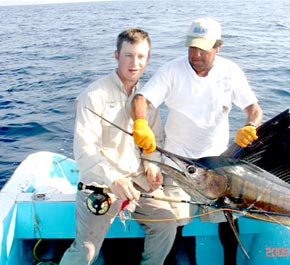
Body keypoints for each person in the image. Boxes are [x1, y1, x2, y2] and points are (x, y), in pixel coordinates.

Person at [131, 17, 263, 265]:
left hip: (218, 164)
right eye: (192, 47)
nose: (196, 54)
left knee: (227, 220)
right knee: (175, 223)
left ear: (218, 47)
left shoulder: (230, 71)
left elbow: (254, 109)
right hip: (180, 162)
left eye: (203, 48)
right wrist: (140, 123)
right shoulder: (172, 70)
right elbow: (141, 99)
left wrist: (250, 126)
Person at [60, 29, 178, 265]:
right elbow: (85, 151)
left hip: (139, 183)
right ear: (116, 55)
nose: (135, 63)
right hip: (101, 185)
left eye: (141, 56)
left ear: (148, 58)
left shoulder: (147, 99)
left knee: (167, 223)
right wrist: (114, 179)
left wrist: (152, 166)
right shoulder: (94, 95)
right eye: (129, 55)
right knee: (86, 251)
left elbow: (156, 141)